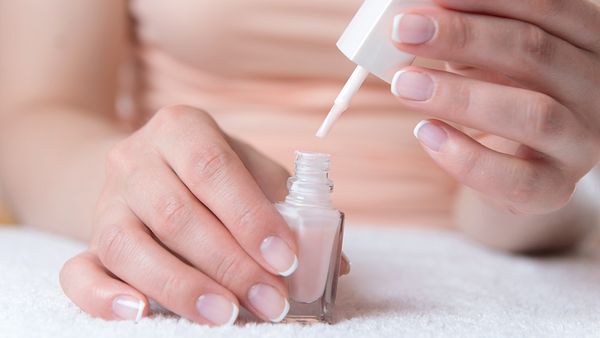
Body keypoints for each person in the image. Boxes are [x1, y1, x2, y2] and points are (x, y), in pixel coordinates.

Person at [0, 0, 598, 326]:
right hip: (200, 207)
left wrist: (536, 174)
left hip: (474, 246)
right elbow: (35, 115)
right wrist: (133, 198)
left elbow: (510, 198)